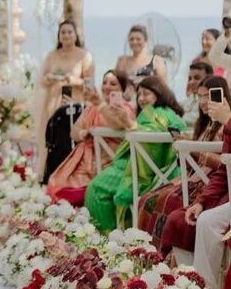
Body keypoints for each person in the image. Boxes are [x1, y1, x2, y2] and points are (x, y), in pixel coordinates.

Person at [137, 74, 228, 254]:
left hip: (210, 182)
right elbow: (189, 163)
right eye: (199, 96)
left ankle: (162, 258)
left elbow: (222, 163)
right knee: (146, 198)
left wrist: (193, 150)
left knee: (167, 201)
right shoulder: (205, 124)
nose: (203, 101)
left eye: (208, 96)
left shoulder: (226, 125)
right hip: (193, 176)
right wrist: (183, 148)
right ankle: (145, 254)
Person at [84, 75, 186, 232]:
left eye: (146, 93)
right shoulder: (155, 112)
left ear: (159, 93)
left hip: (148, 173)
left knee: (96, 189)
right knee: (95, 188)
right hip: (137, 165)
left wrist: (129, 123)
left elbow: (152, 135)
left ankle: (108, 236)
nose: (141, 98)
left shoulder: (161, 113)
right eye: (139, 94)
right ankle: (112, 236)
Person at [46, 70, 135, 205]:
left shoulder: (124, 108)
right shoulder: (92, 107)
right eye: (104, 82)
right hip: (84, 160)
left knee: (70, 193)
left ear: (122, 88)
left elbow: (117, 126)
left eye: (113, 84)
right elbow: (74, 131)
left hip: (110, 162)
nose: (107, 86)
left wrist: (102, 106)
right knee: (56, 185)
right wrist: (83, 133)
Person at [33, 20, 94, 180]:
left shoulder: (84, 55)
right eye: (63, 32)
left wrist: (72, 80)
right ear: (59, 36)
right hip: (52, 103)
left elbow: (90, 83)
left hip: (74, 105)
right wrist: (51, 78)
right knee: (53, 139)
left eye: (69, 32)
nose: (66, 35)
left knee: (70, 140)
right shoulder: (52, 56)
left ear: (75, 35)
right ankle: (51, 175)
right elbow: (42, 80)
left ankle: (72, 176)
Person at [182, 59, 214, 126]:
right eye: (190, 78)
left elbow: (200, 119)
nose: (191, 82)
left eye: (197, 78)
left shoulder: (213, 100)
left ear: (209, 79)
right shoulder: (190, 98)